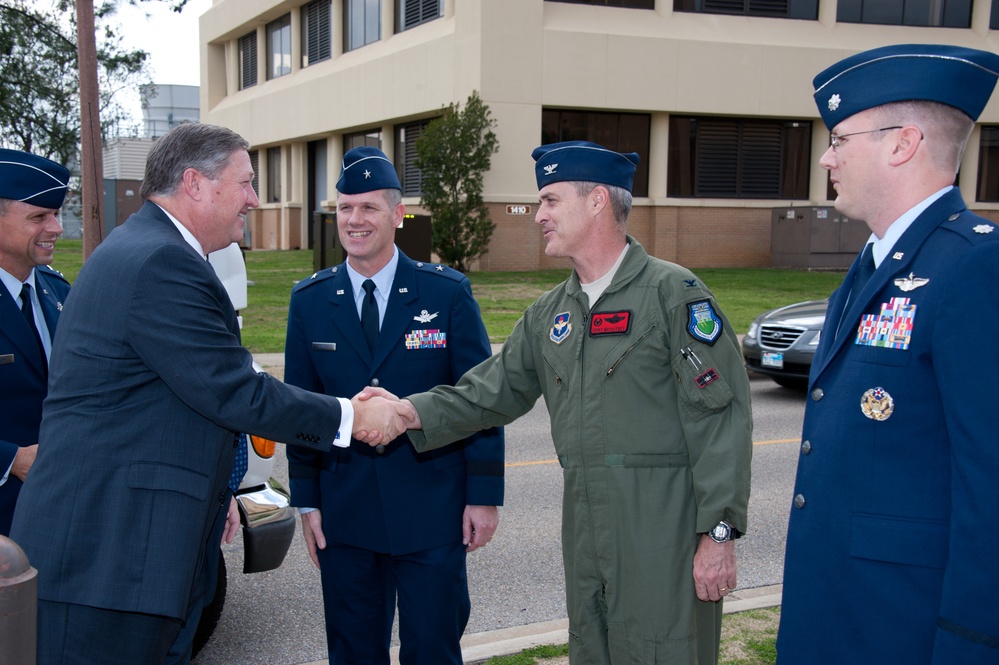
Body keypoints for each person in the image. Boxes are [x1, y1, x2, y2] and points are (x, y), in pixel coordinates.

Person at [9, 123, 408, 665]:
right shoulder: (159, 261)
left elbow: (178, 401)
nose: (254, 198)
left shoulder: (154, 250)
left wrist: (218, 491)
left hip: (143, 553)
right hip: (107, 558)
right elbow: (232, 390)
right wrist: (351, 417)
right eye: (244, 182)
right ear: (195, 183)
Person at [361, 141, 753, 665]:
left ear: (597, 202)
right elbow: (487, 394)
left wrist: (719, 534)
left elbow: (720, 420)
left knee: (666, 652)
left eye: (550, 200)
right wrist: (407, 411)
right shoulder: (551, 314)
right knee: (592, 649)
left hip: (664, 528)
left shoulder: (671, 293)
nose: (538, 215)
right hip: (585, 525)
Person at [776, 45, 999, 664]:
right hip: (839, 610)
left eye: (840, 139)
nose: (826, 157)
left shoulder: (976, 265)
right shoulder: (878, 261)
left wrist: (972, 645)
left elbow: (990, 483)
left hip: (904, 625)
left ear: (902, 143)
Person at [284, 146, 504, 664]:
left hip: (432, 510)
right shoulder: (310, 301)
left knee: (432, 649)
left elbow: (479, 399)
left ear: (397, 215)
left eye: (368, 208)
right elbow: (301, 412)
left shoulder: (444, 294)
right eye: (344, 209)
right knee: (354, 652)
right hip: (346, 513)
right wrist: (307, 502)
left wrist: (484, 494)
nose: (354, 220)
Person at [0, 148, 70, 536]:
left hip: (59, 509)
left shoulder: (57, 291)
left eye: (56, 214)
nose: (56, 228)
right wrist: (11, 460)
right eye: (38, 217)